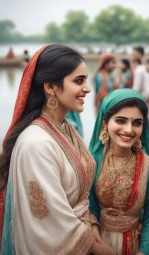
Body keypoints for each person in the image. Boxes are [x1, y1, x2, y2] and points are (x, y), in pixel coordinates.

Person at [0, 44, 116, 254]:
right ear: (50, 87)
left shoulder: (66, 127)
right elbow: (46, 221)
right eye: (79, 81)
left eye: (86, 80)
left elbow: (80, 198)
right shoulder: (35, 143)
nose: (88, 88)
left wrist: (93, 227)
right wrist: (96, 247)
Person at [89, 89, 149, 255]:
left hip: (135, 243)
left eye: (137, 123)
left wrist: (144, 252)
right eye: (121, 121)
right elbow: (88, 206)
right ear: (105, 122)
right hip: (99, 244)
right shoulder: (93, 162)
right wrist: (97, 241)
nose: (129, 130)